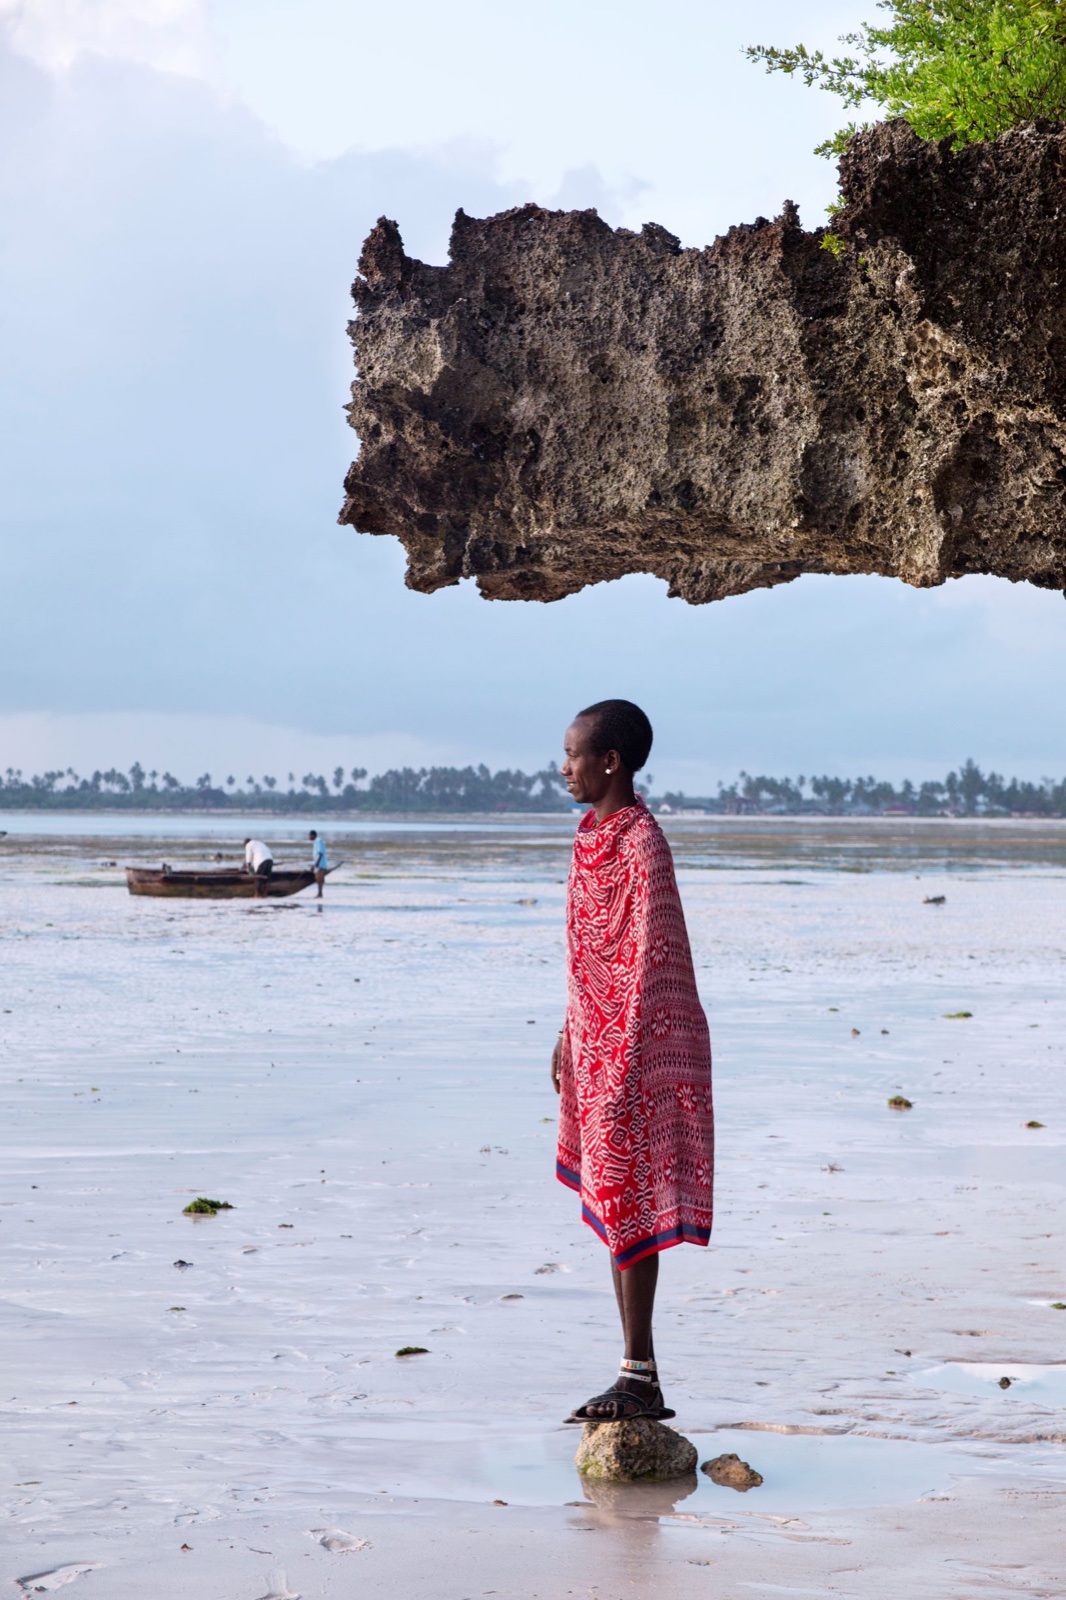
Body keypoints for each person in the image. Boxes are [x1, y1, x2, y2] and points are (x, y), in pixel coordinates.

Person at [552, 699, 714, 1424]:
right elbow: (588, 952)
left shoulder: (642, 842)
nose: (564, 768)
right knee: (618, 1203)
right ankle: (634, 1370)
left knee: (632, 1201)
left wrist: (623, 1052)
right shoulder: (591, 839)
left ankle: (639, 1374)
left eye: (574, 755)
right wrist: (569, 1030)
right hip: (596, 1039)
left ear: (610, 761)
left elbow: (650, 953)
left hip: (637, 1048)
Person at [309, 829, 328, 898]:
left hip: (321, 864)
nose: (309, 837)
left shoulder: (319, 841)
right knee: (319, 879)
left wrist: (317, 863)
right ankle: (320, 893)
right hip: (319, 863)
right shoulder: (316, 842)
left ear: (313, 835)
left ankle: (320, 894)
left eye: (310, 835)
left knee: (319, 878)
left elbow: (320, 853)